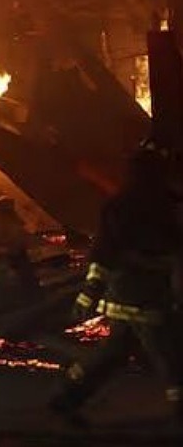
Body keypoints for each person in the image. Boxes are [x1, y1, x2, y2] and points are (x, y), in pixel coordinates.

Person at [49, 139, 183, 426]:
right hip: (148, 296)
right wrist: (90, 292)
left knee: (115, 353)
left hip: (131, 291)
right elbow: (108, 253)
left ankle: (67, 397)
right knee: (171, 354)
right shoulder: (161, 206)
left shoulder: (124, 205)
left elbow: (104, 253)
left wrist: (91, 292)